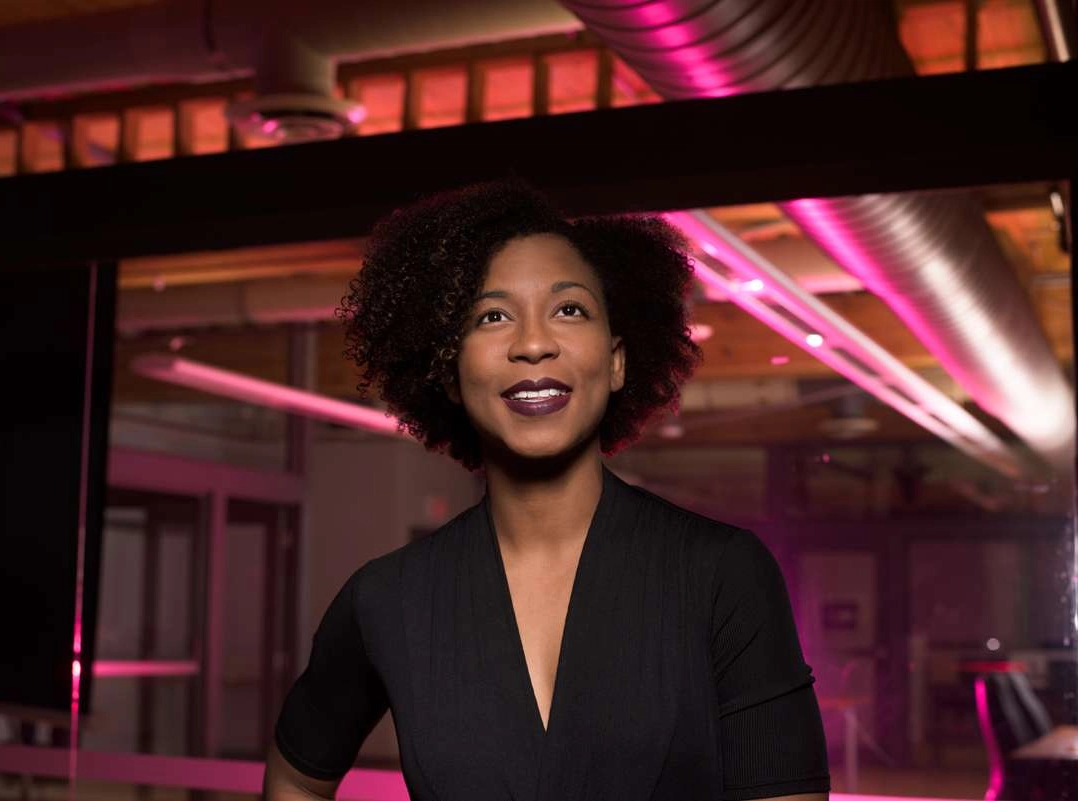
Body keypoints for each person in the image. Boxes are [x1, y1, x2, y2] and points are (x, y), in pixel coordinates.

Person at [264, 178, 830, 801]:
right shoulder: (386, 600)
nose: (533, 344)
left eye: (569, 310)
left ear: (616, 362)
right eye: (493, 316)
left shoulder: (722, 575)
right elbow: (296, 777)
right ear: (449, 372)